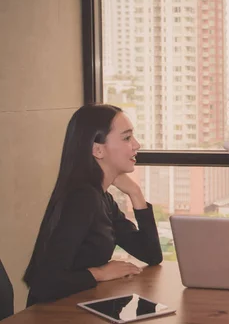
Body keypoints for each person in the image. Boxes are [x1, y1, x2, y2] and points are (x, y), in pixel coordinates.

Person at [24, 104, 163, 306]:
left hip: (78, 308)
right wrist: (100, 273)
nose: (136, 145)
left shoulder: (102, 198)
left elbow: (150, 254)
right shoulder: (82, 199)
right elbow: (45, 283)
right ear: (98, 150)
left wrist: (136, 194)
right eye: (126, 138)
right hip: (53, 315)